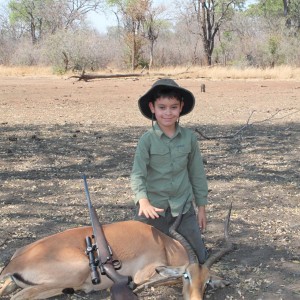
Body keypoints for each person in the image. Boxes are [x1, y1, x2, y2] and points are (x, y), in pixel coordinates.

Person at [130, 78, 209, 264]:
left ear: (181, 107)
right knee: (138, 258)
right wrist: (143, 202)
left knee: (199, 258)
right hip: (153, 209)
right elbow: (137, 174)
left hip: (182, 208)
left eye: (173, 107)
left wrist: (201, 208)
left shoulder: (189, 138)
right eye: (162, 107)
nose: (168, 113)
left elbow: (197, 173)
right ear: (152, 108)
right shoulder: (147, 140)